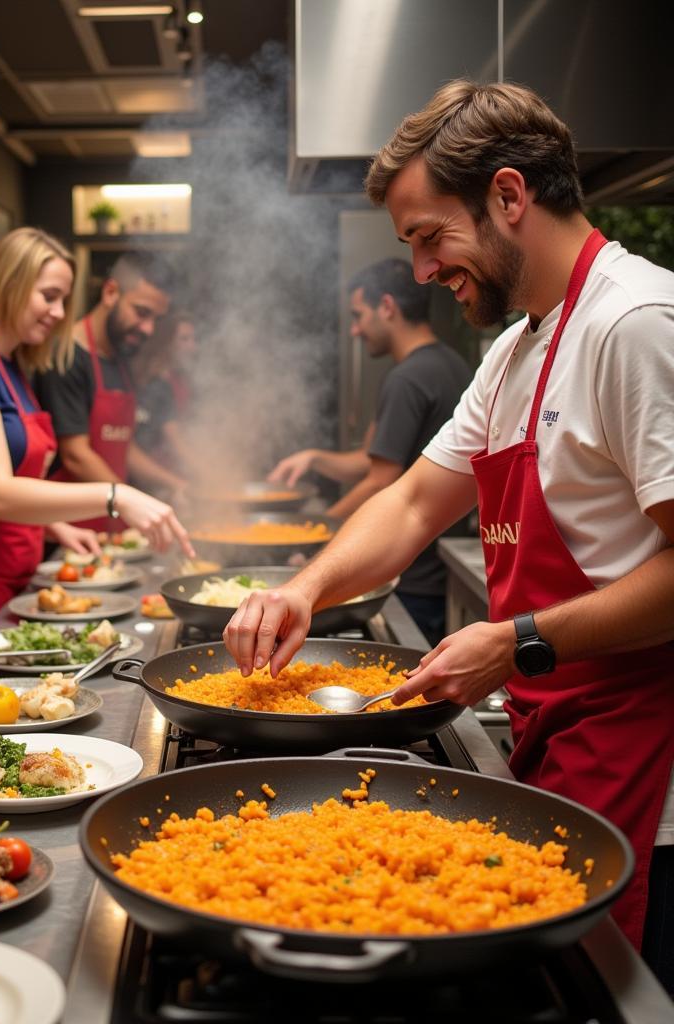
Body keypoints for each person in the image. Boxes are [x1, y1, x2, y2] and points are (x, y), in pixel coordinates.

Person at [224, 79, 674, 988]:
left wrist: (519, 641)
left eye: (431, 237)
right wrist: (302, 590)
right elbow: (414, 504)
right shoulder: (512, 351)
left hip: (649, 769)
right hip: (564, 738)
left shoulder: (636, 323)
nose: (422, 272)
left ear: (509, 196)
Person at [0, 228, 194, 618]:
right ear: (11, 284)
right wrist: (117, 496)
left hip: (16, 566)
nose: (59, 313)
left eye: (63, 300)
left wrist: (55, 526)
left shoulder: (13, 364)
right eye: (49, 297)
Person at [268, 259, 472, 643]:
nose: (355, 329)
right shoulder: (451, 365)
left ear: (388, 307)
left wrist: (315, 536)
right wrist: (314, 457)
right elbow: (375, 457)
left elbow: (380, 480)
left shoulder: (406, 379)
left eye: (358, 315)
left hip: (408, 574)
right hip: (435, 567)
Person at [35, 251, 187, 527]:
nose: (148, 329)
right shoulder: (67, 356)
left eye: (155, 319)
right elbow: (76, 455)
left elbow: (122, 445)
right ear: (110, 292)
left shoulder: (121, 356)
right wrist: (130, 499)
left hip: (108, 520)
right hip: (70, 528)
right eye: (141, 313)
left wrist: (175, 483)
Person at [133, 309, 202, 477]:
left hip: (175, 471)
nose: (193, 346)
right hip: (155, 474)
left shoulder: (181, 379)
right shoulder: (156, 384)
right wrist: (207, 472)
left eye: (194, 339)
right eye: (184, 339)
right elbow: (174, 439)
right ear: (166, 342)